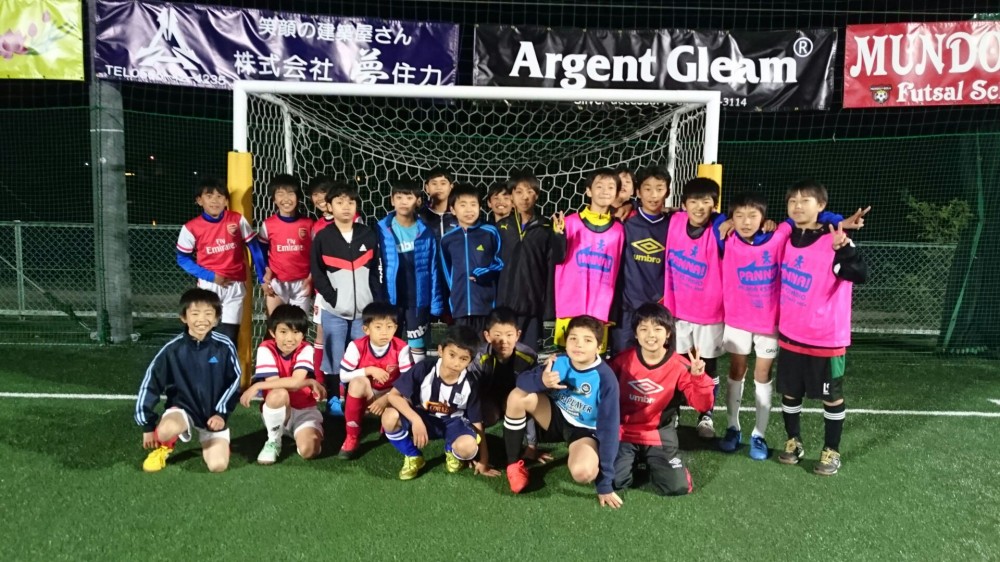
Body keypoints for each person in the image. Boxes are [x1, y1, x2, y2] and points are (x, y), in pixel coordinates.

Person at [717, 192, 859, 458]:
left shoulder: (780, 234)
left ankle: (759, 435)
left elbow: (807, 217)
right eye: (739, 216)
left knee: (762, 375)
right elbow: (711, 221)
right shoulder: (726, 237)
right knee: (736, 371)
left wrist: (839, 221)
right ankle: (732, 427)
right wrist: (724, 222)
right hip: (737, 320)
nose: (745, 222)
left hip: (770, 322)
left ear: (764, 218)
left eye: (752, 216)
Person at [777, 180, 868, 476]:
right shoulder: (786, 237)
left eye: (805, 200)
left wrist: (846, 251)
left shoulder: (836, 239)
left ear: (821, 206)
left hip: (825, 338)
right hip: (790, 334)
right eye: (793, 201)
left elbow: (860, 274)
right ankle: (794, 441)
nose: (798, 206)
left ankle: (832, 450)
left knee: (831, 396)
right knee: (790, 393)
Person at [503, 315, 622, 508]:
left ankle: (581, 452)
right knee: (517, 396)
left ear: (599, 347)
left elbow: (609, 431)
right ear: (566, 342)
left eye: (587, 340)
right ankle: (513, 465)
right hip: (554, 418)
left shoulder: (606, 379)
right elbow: (521, 381)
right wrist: (541, 381)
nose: (579, 344)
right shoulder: (558, 361)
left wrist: (605, 484)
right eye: (573, 338)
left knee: (583, 473)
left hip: (583, 431)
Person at [610, 303, 714, 496]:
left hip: (658, 433)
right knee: (615, 481)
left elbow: (703, 405)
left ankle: (659, 462)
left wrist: (698, 378)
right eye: (644, 329)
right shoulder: (620, 362)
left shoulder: (681, 366)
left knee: (678, 487)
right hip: (625, 432)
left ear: (668, 333)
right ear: (635, 334)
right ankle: (637, 459)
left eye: (658, 329)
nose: (651, 335)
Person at [134, 288, 241, 473]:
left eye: (208, 314)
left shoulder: (224, 346)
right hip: (183, 410)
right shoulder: (172, 349)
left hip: (213, 416)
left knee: (218, 466)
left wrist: (221, 414)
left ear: (216, 319)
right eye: (195, 314)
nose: (202, 319)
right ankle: (165, 446)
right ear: (184, 317)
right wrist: (147, 426)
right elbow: (150, 384)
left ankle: (216, 442)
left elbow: (235, 381)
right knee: (166, 429)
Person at [381, 325, 498, 480]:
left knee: (468, 447)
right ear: (441, 350)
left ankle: (451, 450)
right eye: (452, 355)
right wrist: (416, 420)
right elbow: (393, 396)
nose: (456, 363)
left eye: (463, 359)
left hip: (454, 423)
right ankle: (413, 456)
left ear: (470, 361)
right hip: (424, 418)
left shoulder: (470, 383)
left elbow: (477, 424)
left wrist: (483, 461)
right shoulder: (424, 369)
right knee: (389, 417)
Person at [662, 177, 728, 439]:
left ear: (715, 205)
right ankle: (674, 411)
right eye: (693, 201)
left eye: (706, 201)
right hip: (677, 311)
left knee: (707, 365)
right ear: (683, 204)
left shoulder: (720, 227)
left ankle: (706, 415)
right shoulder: (675, 221)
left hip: (709, 313)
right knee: (677, 364)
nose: (699, 207)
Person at [311, 182, 382, 414]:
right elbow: (317, 273)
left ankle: (356, 399)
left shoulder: (367, 234)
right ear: (329, 207)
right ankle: (333, 399)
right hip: (334, 310)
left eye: (351, 202)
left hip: (364, 311)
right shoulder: (323, 237)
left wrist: (375, 299)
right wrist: (332, 298)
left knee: (361, 357)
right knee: (334, 355)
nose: (346, 207)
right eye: (340, 202)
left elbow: (377, 269)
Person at [175, 177, 266, 343]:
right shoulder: (191, 228)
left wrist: (263, 278)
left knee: (229, 336)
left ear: (226, 201)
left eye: (219, 196)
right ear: (199, 200)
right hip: (209, 286)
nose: (215, 201)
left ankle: (226, 360)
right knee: (205, 334)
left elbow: (254, 247)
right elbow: (183, 259)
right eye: (209, 196)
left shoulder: (237, 220)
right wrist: (211, 276)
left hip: (235, 285)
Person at [551, 168, 626, 354]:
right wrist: (557, 237)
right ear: (588, 191)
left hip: (600, 309)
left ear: (617, 194)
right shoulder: (569, 223)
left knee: (594, 360)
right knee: (567, 357)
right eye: (599, 186)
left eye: (610, 187)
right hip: (570, 307)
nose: (605, 191)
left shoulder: (620, 230)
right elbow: (556, 259)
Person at [239, 304, 326, 464]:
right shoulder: (265, 348)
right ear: (273, 333)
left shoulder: (306, 348)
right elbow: (275, 385)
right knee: (279, 392)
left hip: (304, 411)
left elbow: (296, 382)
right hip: (279, 408)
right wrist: (308, 382)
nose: (290, 339)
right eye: (283, 332)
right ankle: (274, 440)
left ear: (303, 334)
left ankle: (298, 433)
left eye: (296, 332)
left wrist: (257, 385)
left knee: (309, 451)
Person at [467, 306, 548, 462]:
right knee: (485, 413)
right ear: (487, 336)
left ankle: (529, 447)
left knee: (528, 397)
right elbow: (471, 396)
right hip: (488, 400)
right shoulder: (479, 357)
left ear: (518, 335)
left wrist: (532, 446)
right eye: (497, 335)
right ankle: (472, 446)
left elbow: (532, 396)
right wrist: (471, 451)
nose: (504, 341)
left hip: (514, 401)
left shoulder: (528, 356)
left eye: (509, 335)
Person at [376, 180, 444, 364]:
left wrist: (436, 303)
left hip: (417, 300)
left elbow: (433, 268)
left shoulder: (426, 232)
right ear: (392, 200)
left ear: (418, 201)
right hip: (391, 300)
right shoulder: (381, 229)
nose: (403, 202)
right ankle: (391, 379)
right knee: (390, 343)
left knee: (417, 346)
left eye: (409, 197)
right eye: (399, 197)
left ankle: (418, 378)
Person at [337, 302, 415, 459]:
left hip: (392, 394)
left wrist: (387, 399)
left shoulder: (402, 348)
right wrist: (369, 370)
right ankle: (352, 436)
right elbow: (343, 375)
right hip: (368, 394)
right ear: (366, 329)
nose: (384, 332)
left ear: (396, 328)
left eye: (389, 327)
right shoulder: (356, 346)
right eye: (378, 327)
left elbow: (408, 382)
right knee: (357, 383)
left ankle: (388, 424)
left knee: (408, 394)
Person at [495, 171, 559, 350]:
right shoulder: (501, 227)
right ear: (511, 196)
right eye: (519, 192)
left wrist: (559, 237)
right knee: (504, 352)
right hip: (505, 304)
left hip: (533, 303)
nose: (525, 197)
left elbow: (555, 261)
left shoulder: (546, 227)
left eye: (530, 191)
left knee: (528, 354)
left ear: (537, 195)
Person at [611, 165, 671, 355]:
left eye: (659, 189)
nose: (654, 195)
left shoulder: (674, 224)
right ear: (638, 192)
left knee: (655, 359)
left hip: (659, 306)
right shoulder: (625, 220)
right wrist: (629, 205)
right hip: (626, 305)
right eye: (647, 188)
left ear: (668, 192)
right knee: (621, 358)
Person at [439, 183, 504, 334]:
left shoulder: (490, 232)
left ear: (480, 207)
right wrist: (453, 295)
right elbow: (447, 274)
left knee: (484, 346)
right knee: (462, 345)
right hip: (459, 307)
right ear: (453, 210)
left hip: (485, 306)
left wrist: (482, 274)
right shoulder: (447, 239)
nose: (469, 209)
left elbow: (500, 263)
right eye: (463, 205)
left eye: (473, 204)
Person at [259, 174, 314, 315]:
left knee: (299, 325)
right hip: (277, 282)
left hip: (302, 283)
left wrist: (311, 277)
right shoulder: (268, 224)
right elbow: (260, 253)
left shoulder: (308, 224)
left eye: (291, 193)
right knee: (274, 324)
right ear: (274, 199)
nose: (286, 199)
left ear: (298, 197)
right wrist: (262, 278)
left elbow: (316, 253)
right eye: (280, 194)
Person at [419, 166, 459, 240]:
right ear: (427, 188)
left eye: (443, 183)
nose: (438, 187)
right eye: (434, 183)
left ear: (451, 187)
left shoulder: (459, 214)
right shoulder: (419, 216)